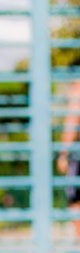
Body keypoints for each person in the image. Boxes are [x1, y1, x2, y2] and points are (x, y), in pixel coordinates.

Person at [57, 79, 80, 242]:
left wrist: (63, 154)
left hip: (78, 154)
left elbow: (72, 121)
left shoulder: (77, 91)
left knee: (75, 201)